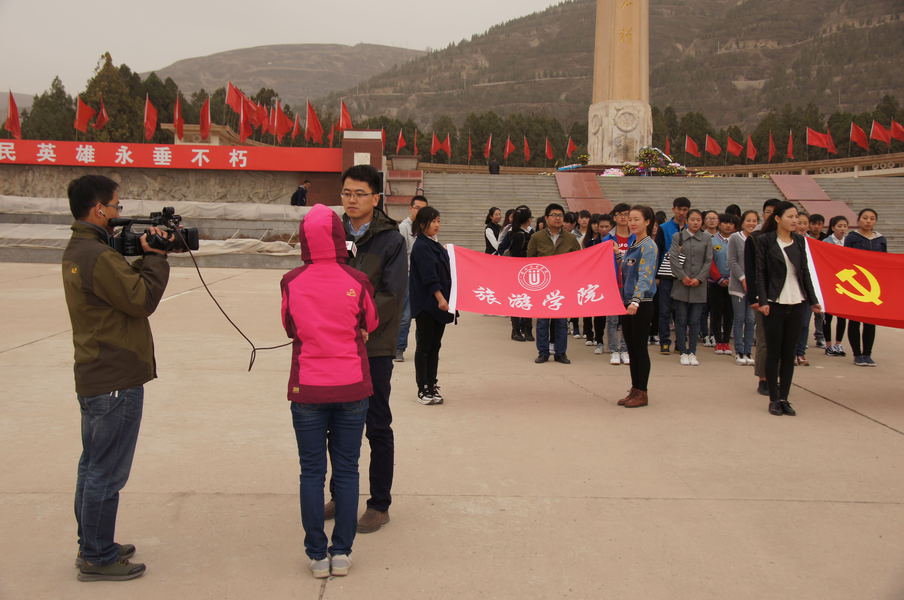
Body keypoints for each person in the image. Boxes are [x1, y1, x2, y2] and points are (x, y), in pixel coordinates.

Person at [63, 175, 171, 582]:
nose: (118, 213)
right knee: (106, 472)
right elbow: (140, 299)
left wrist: (140, 255)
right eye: (116, 206)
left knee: (92, 466)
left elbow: (120, 293)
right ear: (99, 210)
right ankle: (97, 555)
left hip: (97, 372)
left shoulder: (81, 249)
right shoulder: (97, 255)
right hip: (114, 378)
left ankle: (92, 544)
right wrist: (155, 257)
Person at [282, 204, 379, 579]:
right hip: (351, 386)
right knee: (347, 470)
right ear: (339, 237)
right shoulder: (357, 279)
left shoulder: (292, 281)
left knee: (311, 472)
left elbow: (289, 326)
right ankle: (341, 552)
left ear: (305, 240)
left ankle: (316, 554)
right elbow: (371, 320)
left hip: (308, 387)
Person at [332, 164, 406, 534]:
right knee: (336, 423)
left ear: (376, 198)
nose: (352, 200)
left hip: (373, 345)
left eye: (360, 194)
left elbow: (391, 293)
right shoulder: (332, 233)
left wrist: (361, 321)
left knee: (376, 424)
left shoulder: (391, 239)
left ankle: (379, 503)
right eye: (347, 193)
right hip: (334, 345)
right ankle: (340, 494)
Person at [753, 201, 821, 416]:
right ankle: (774, 399)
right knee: (773, 352)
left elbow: (805, 272)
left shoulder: (800, 241)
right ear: (778, 218)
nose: (795, 221)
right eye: (790, 217)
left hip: (797, 301)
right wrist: (763, 301)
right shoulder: (764, 241)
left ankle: (784, 398)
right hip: (774, 302)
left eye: (796, 217)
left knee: (789, 352)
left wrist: (813, 299)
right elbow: (760, 272)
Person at [409, 207, 454, 404]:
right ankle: (423, 388)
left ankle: (432, 383)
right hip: (428, 304)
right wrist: (440, 298)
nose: (437, 225)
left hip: (439, 305)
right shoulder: (421, 246)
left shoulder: (434, 244)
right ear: (422, 224)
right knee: (425, 346)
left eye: (438, 221)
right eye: (433, 221)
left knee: (435, 346)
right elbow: (429, 277)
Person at [528, 203, 582, 364]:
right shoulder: (537, 237)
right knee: (542, 322)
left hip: (563, 286)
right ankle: (543, 352)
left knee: (561, 322)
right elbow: (530, 261)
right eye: (554, 215)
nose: (558, 218)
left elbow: (579, 261)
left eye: (560, 215)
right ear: (546, 218)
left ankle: (561, 353)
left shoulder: (571, 239)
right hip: (543, 285)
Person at [616, 205, 658, 408]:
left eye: (636, 219)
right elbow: (629, 269)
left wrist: (636, 300)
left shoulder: (648, 246)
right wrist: (618, 255)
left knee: (639, 348)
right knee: (632, 348)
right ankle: (635, 388)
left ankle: (642, 391)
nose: (632, 223)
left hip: (641, 304)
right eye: (630, 219)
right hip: (628, 302)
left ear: (647, 222)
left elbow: (645, 276)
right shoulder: (635, 243)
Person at [748, 198, 783, 395]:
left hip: (785, 296)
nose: (771, 216)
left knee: (781, 341)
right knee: (764, 340)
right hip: (763, 296)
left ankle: (778, 376)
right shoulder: (755, 238)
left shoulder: (790, 239)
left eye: (775, 212)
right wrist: (754, 298)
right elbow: (751, 270)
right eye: (768, 212)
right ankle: (763, 377)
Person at [670, 209, 712, 366]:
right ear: (686, 221)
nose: (695, 222)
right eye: (693, 219)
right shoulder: (678, 237)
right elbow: (673, 258)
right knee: (681, 319)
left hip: (699, 286)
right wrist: (683, 276)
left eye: (698, 220)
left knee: (695, 320)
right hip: (681, 284)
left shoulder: (706, 238)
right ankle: (682, 351)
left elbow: (708, 261)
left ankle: (692, 351)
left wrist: (699, 278)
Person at [845, 208, 887, 366]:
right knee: (854, 320)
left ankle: (867, 354)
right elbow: (844, 258)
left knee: (870, 321)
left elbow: (885, 260)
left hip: (874, 284)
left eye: (871, 218)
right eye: (865, 218)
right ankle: (857, 354)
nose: (868, 221)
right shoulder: (852, 238)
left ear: (875, 221)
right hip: (856, 284)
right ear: (858, 220)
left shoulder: (880, 239)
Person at [655, 197, 691, 354]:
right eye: (679, 209)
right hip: (666, 274)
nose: (681, 212)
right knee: (664, 310)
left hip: (685, 276)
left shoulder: (691, 228)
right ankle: (664, 341)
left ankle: (680, 342)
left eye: (685, 210)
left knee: (681, 312)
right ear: (673, 209)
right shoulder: (664, 228)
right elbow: (658, 251)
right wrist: (656, 275)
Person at [395, 196, 429, 362]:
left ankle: (423, 349)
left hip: (424, 276)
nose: (420, 211)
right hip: (409, 276)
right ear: (411, 208)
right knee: (406, 315)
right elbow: (401, 253)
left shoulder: (427, 228)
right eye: (417, 208)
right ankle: (399, 348)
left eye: (423, 209)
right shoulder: (404, 227)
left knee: (424, 315)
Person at [728, 210, 759, 365]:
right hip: (738, 285)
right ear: (742, 222)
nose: (751, 223)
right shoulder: (735, 238)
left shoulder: (758, 238)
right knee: (739, 318)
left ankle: (748, 351)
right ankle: (739, 351)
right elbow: (732, 260)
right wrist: (743, 278)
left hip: (754, 286)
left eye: (754, 221)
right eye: (748, 220)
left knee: (751, 319)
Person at [708, 214, 736, 356]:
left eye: (731, 223)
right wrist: (718, 278)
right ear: (719, 224)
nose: (728, 226)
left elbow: (739, 261)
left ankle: (726, 341)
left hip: (733, 283)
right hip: (715, 283)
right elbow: (709, 261)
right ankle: (718, 340)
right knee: (716, 312)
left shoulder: (736, 241)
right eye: (725, 222)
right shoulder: (712, 241)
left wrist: (732, 278)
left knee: (730, 313)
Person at [822, 216, 848, 357]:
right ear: (833, 227)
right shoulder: (826, 242)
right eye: (839, 226)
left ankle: (838, 344)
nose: (842, 229)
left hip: (845, 283)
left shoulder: (848, 242)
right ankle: (828, 344)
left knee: (842, 316)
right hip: (830, 283)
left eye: (844, 226)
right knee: (828, 315)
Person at [508, 207, 534, 342]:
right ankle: (516, 330)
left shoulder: (527, 232)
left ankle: (527, 329)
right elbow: (516, 254)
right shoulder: (518, 234)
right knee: (519, 300)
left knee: (527, 300)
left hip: (527, 271)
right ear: (527, 219)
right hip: (519, 271)